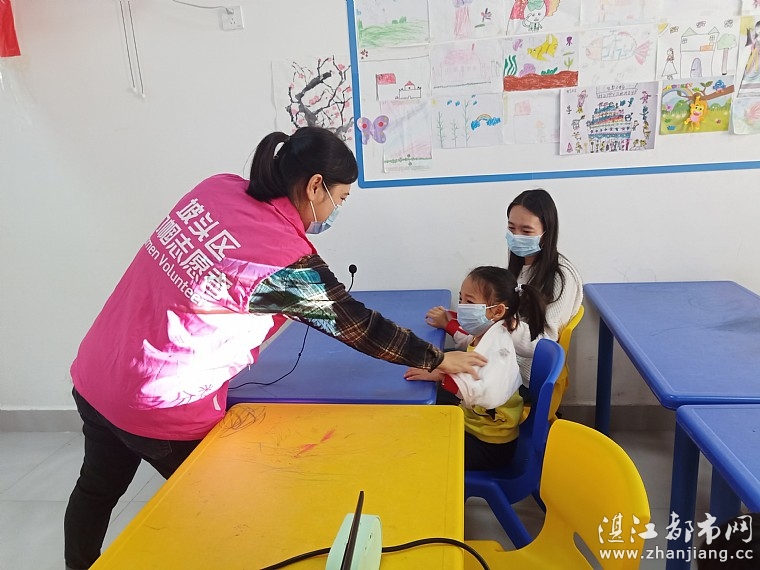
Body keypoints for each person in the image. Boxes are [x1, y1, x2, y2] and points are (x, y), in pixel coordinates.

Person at [63, 126, 487, 570]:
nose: (336, 210)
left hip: (98, 371)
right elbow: (358, 327)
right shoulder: (282, 258)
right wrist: (437, 357)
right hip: (158, 402)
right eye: (340, 199)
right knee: (232, 509)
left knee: (96, 489)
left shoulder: (215, 188)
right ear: (315, 186)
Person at [426, 188, 582, 411]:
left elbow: (543, 345)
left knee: (429, 381)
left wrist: (502, 323)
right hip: (500, 359)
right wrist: (455, 323)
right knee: (431, 361)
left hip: (517, 378)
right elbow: (493, 333)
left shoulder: (560, 277)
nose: (516, 236)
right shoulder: (522, 266)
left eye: (526, 230)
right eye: (511, 228)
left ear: (547, 233)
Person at [404, 266, 546, 470]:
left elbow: (486, 394)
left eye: (469, 302)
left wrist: (440, 375)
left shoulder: (499, 349)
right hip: (477, 428)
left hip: (490, 445)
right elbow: (467, 340)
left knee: (421, 449)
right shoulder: (488, 332)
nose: (462, 307)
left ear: (497, 311)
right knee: (423, 425)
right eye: (461, 299)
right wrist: (448, 326)